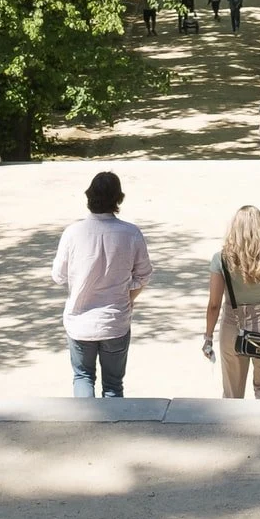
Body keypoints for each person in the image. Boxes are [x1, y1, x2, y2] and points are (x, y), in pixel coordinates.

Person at [50, 171, 153, 398]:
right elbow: (144, 274)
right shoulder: (131, 233)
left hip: (80, 321)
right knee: (114, 386)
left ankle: (86, 426)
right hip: (115, 321)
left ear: (89, 197)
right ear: (118, 199)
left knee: (83, 377)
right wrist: (129, 297)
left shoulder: (73, 233)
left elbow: (58, 276)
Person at [201, 205, 260, 399]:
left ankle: (232, 428)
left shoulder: (221, 259)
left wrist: (208, 336)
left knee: (232, 392)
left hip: (233, 325)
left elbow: (214, 304)